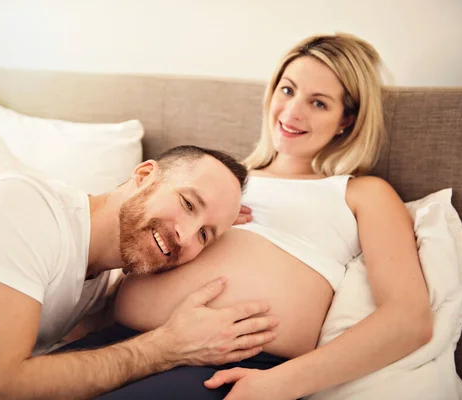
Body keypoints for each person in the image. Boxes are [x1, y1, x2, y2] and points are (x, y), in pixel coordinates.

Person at [76, 33, 433, 399]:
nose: (293, 112)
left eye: (319, 103)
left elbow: (409, 319)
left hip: (226, 371)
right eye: (288, 90)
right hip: (120, 345)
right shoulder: (218, 181)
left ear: (347, 120)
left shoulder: (361, 193)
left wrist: (279, 384)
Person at [0, 145, 281, 400]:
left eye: (205, 235)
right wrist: (166, 347)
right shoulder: (23, 208)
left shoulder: (104, 285)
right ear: (144, 176)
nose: (185, 235)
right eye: (188, 203)